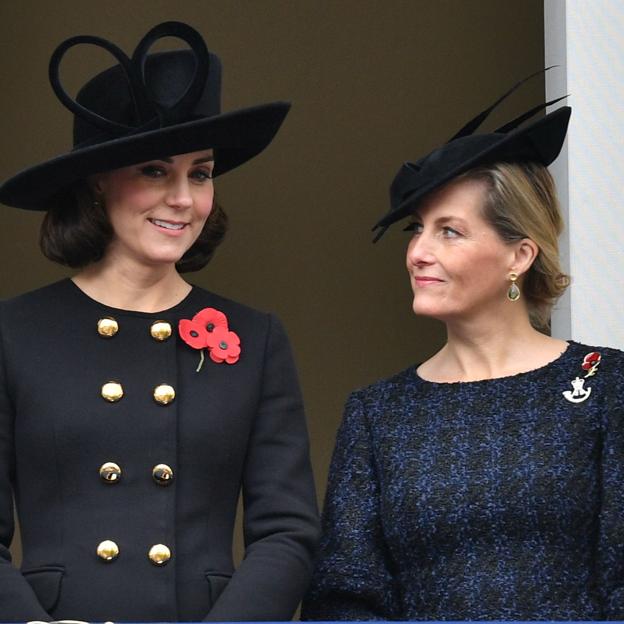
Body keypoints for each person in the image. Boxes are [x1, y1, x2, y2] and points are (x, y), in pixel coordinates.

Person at [0, 21, 319, 622]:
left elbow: (287, 532)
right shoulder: (13, 333)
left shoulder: (256, 337)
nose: (183, 198)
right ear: (97, 184)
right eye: (155, 170)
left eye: (200, 173)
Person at [302, 77, 624, 620]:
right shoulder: (378, 414)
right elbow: (344, 597)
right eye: (417, 229)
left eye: (449, 231)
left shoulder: (605, 383)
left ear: (519, 255)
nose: (419, 252)